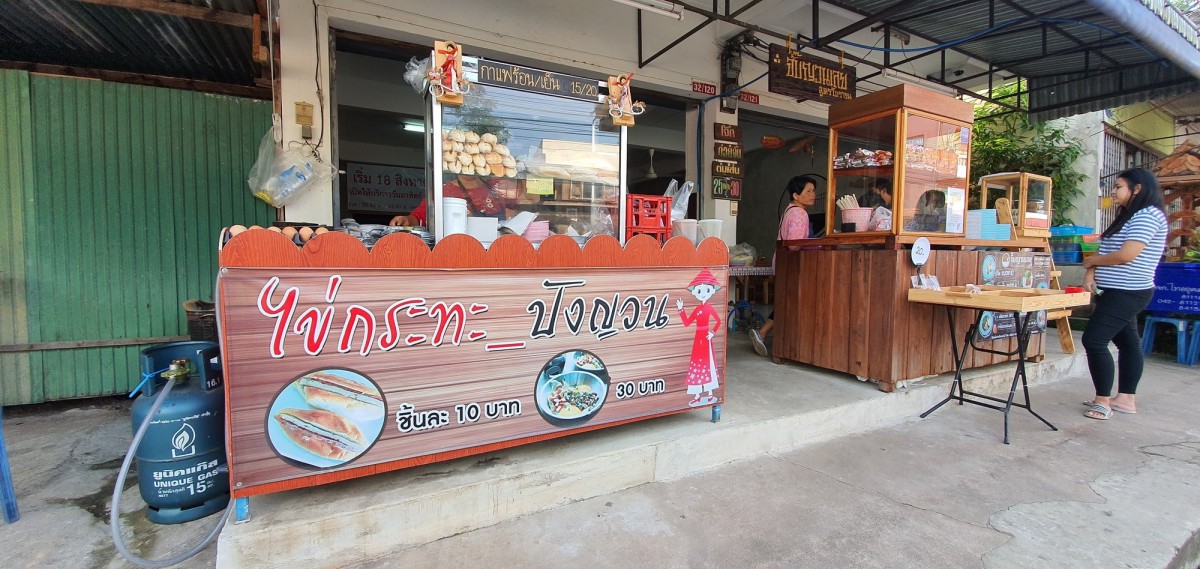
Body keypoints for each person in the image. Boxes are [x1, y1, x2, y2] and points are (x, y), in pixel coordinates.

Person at [1081, 168, 1168, 421]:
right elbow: (1102, 250)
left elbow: (1126, 255)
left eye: (1118, 186)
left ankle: (1102, 401)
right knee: (1128, 343)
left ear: (1137, 188)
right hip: (1114, 291)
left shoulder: (1147, 216)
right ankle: (1126, 399)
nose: (1113, 192)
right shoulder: (1129, 216)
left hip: (1129, 292)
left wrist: (1092, 262)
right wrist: (1090, 271)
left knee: (1094, 340)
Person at [750, 176, 817, 357]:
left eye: (813, 191)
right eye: (808, 191)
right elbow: (794, 244)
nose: (813, 195)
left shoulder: (789, 210)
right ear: (796, 195)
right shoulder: (800, 213)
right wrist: (815, 245)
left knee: (785, 299)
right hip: (790, 262)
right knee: (788, 301)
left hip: (780, 260)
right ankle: (766, 334)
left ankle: (763, 333)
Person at [676, 269, 722, 406]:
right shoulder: (697, 309)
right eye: (699, 291)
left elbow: (719, 321)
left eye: (706, 290)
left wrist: (712, 333)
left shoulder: (709, 308)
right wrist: (681, 309)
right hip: (698, 339)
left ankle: (709, 394)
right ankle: (697, 395)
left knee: (708, 365)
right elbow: (687, 322)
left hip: (706, 339)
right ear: (695, 292)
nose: (703, 294)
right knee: (697, 365)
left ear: (712, 291)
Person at [389, 175, 508, 227]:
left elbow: (514, 212)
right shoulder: (444, 191)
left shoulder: (496, 187)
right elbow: (421, 217)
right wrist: (406, 220)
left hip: (497, 252)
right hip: (458, 251)